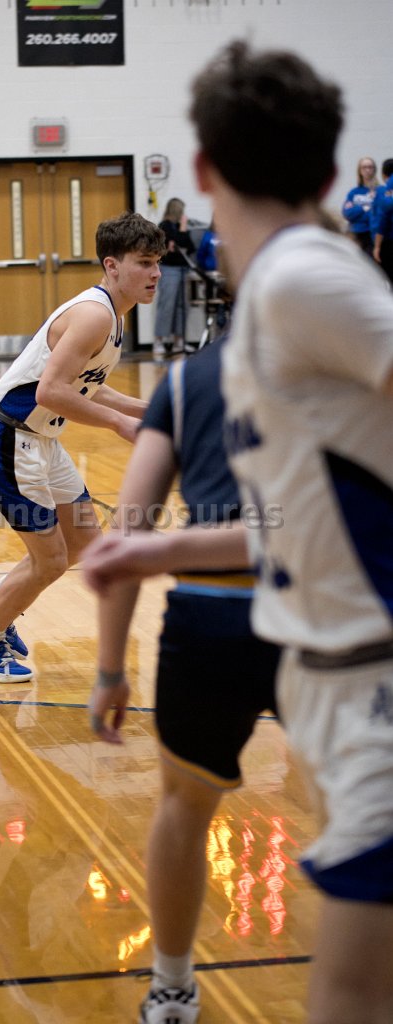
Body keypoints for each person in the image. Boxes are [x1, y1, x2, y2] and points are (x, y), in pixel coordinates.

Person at [189, 40, 393, 1024]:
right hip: (322, 672)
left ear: (201, 170)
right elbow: (309, 510)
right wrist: (159, 549)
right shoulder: (281, 287)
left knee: (350, 992)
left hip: (374, 680)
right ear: (327, 171)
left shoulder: (301, 279)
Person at [81, 330, 281, 1024]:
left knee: (184, 806)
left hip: (209, 617)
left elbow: (128, 529)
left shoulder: (187, 382)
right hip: (319, 614)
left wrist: (110, 669)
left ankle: (170, 987)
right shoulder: (354, 355)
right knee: (359, 814)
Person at [0, 211, 164, 683]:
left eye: (157, 263)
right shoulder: (95, 315)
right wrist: (119, 424)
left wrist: (146, 409)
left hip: (40, 442)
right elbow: (51, 392)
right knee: (50, 561)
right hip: (8, 440)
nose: (155, 273)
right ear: (112, 265)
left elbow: (85, 385)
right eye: (144, 263)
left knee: (85, 545)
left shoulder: (113, 315)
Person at [153, 198, 195, 359]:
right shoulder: (164, 226)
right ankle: (159, 341)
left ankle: (179, 341)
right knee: (167, 304)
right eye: (181, 211)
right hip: (169, 269)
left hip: (184, 269)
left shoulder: (178, 227)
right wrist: (182, 232)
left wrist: (179, 239)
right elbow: (174, 244)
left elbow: (189, 246)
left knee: (182, 306)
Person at [341, 157, 379, 254]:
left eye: (370, 167)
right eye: (364, 167)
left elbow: (379, 215)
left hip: (374, 237)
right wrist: (364, 208)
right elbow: (347, 213)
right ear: (360, 171)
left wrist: (358, 214)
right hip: (356, 236)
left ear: (374, 170)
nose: (367, 170)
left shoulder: (381, 191)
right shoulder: (353, 193)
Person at [371, 157, 393, 282]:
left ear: (383, 174)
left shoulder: (384, 189)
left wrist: (377, 245)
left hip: (388, 240)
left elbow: (383, 217)